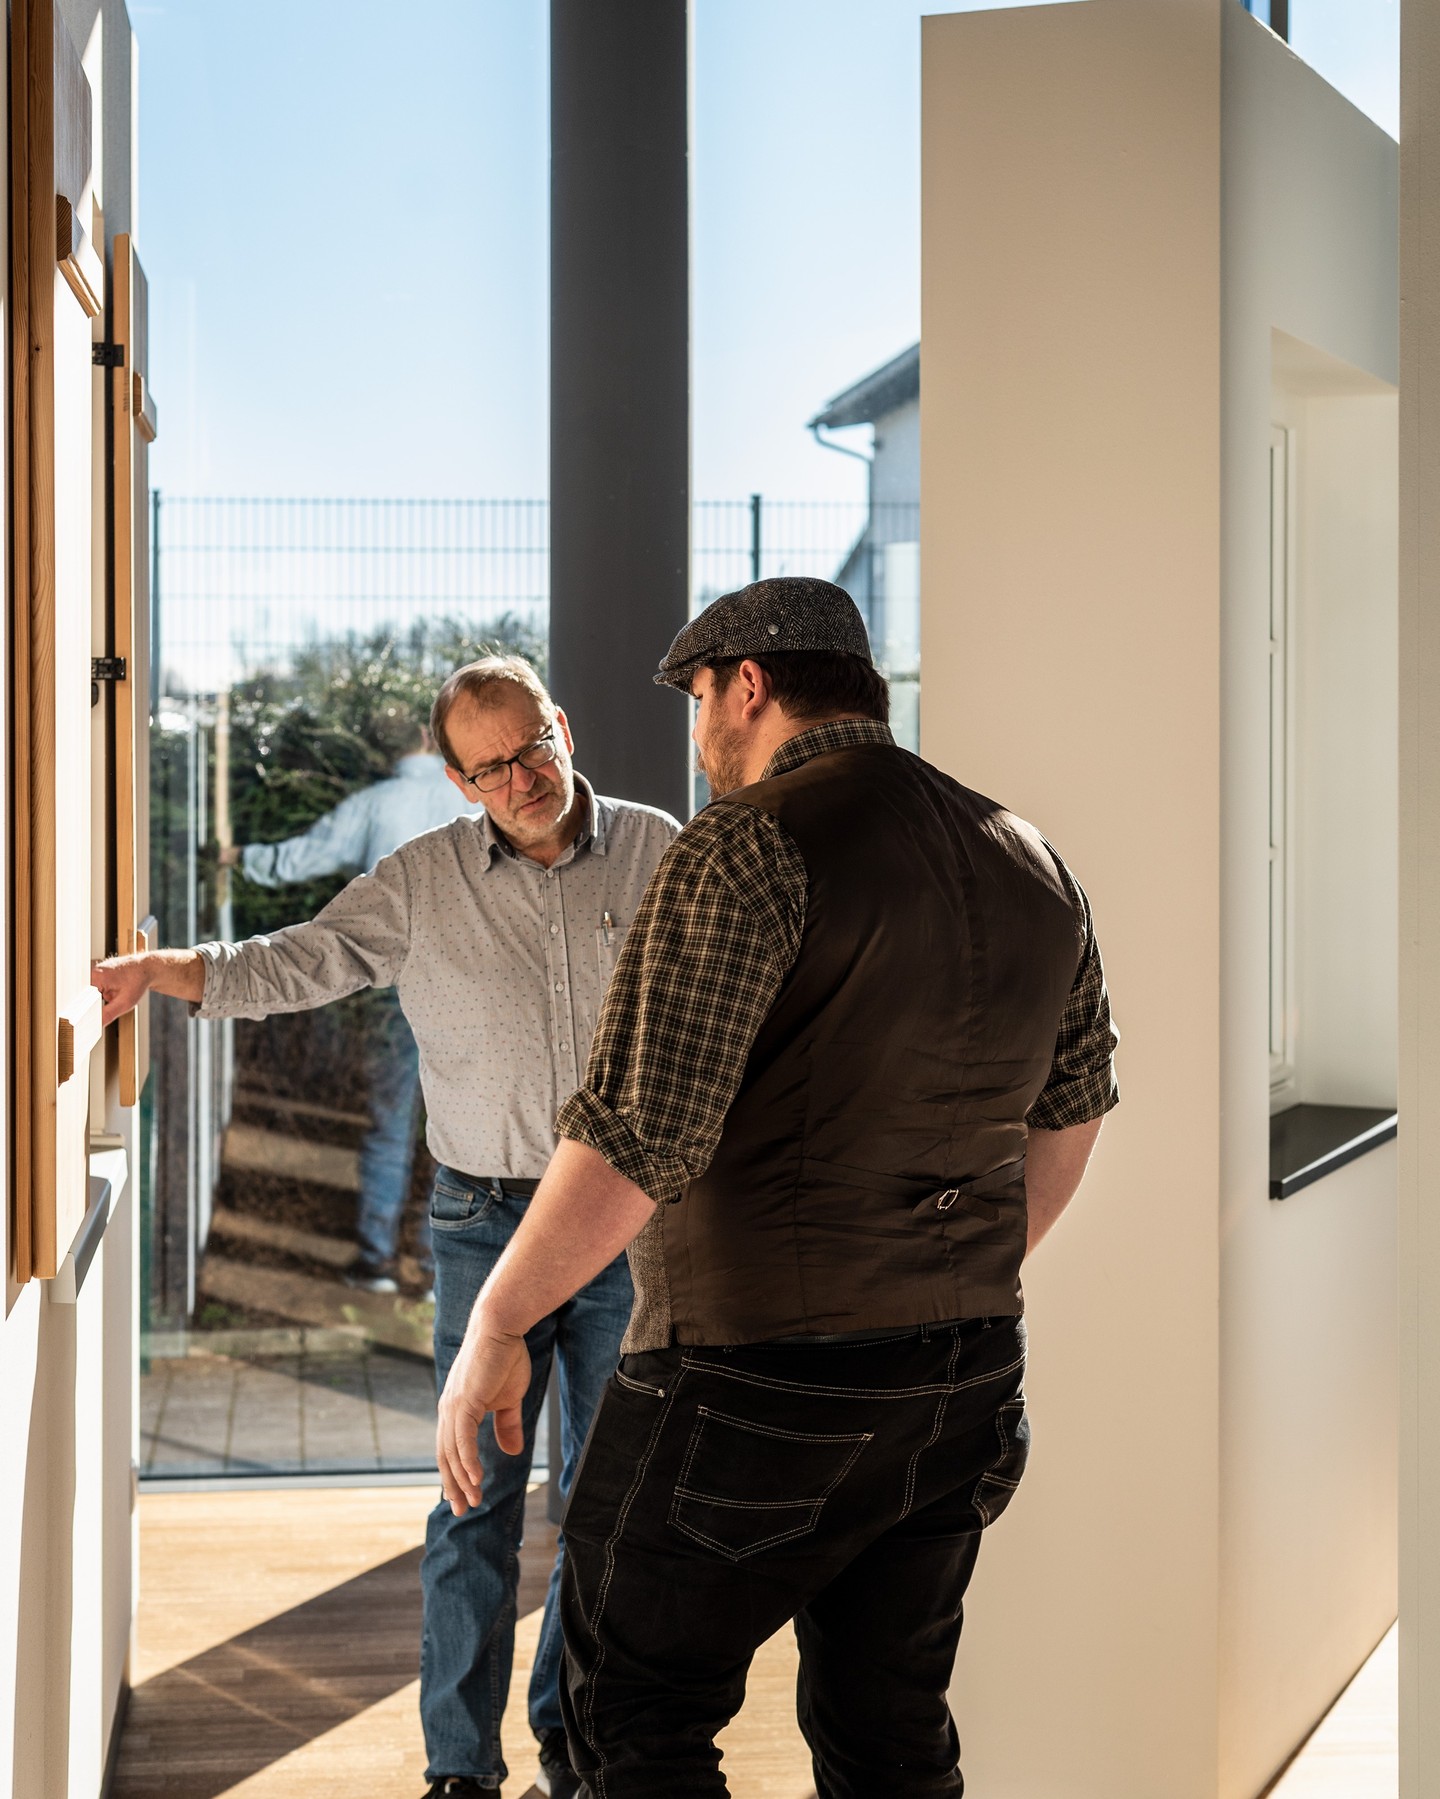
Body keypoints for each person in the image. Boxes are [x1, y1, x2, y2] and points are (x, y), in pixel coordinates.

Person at [434, 579, 1120, 1798]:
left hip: (755, 1373)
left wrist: (497, 1319)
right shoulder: (1028, 851)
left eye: (702, 700)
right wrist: (954, 1272)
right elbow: (1068, 1117)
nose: (699, 737)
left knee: (623, 1712)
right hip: (965, 1376)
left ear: (748, 683)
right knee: (888, 1728)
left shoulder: (750, 842)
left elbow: (637, 1129)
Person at [93, 657, 680, 1799]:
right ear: (459, 781)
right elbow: (304, 956)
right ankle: (460, 1767)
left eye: (532, 748)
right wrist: (175, 970)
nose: (522, 779)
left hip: (619, 1221)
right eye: (491, 767)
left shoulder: (661, 849)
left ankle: (575, 1734)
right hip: (484, 1220)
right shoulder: (421, 882)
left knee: (606, 1501)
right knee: (476, 1501)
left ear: (561, 725)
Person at [219, 722, 472, 1294]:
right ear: (431, 745)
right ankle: (439, 1268)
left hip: (391, 987)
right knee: (461, 1127)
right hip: (465, 983)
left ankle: (376, 1260)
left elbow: (304, 856)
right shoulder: (468, 796)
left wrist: (240, 857)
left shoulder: (373, 804)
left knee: (389, 1120)